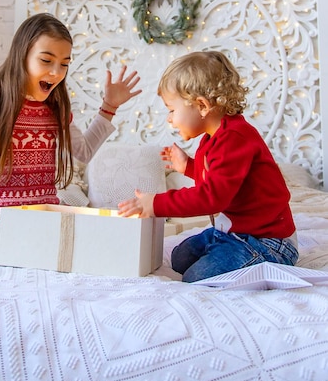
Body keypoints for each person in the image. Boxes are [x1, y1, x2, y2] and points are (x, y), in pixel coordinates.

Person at [0, 12, 141, 259]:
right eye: (46, 60)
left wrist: (109, 107)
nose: (57, 72)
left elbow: (84, 151)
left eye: (65, 64)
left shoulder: (56, 106)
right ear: (22, 55)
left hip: (43, 218)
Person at [118, 50, 298, 283]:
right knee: (180, 257)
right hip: (233, 233)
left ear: (201, 105)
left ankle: (265, 264)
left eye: (172, 110)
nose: (169, 119)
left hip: (267, 240)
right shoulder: (211, 139)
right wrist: (189, 167)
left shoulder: (236, 138)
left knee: (197, 277)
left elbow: (213, 197)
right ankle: (228, 250)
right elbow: (223, 180)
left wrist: (155, 203)